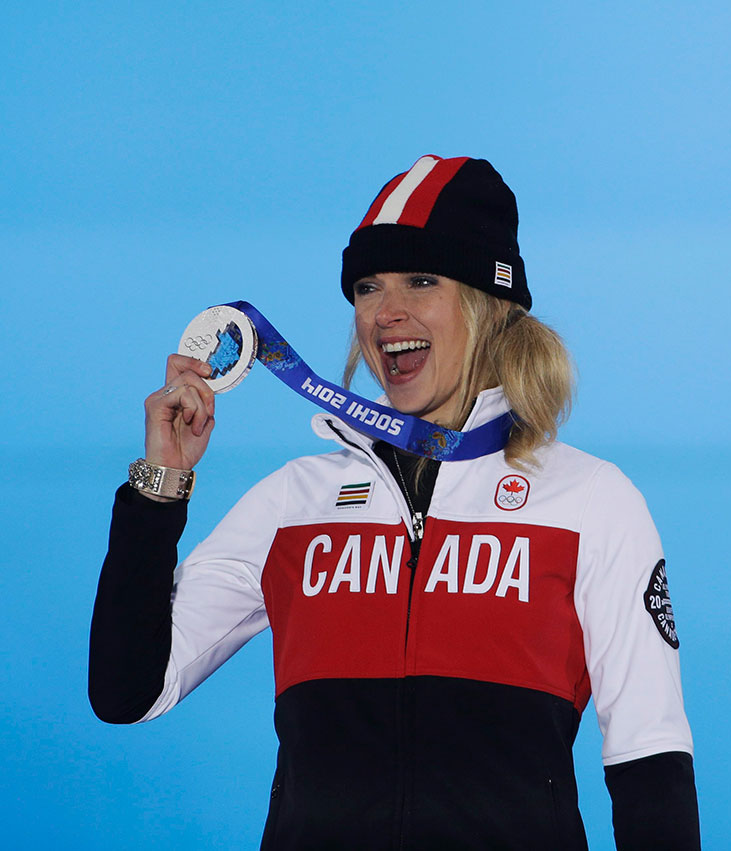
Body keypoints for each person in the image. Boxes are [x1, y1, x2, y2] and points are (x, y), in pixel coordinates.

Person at [89, 155, 700, 849]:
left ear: (490, 305)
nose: (386, 313)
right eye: (367, 287)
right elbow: (128, 690)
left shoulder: (588, 501)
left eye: (422, 280)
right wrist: (159, 486)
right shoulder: (295, 502)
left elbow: (650, 762)